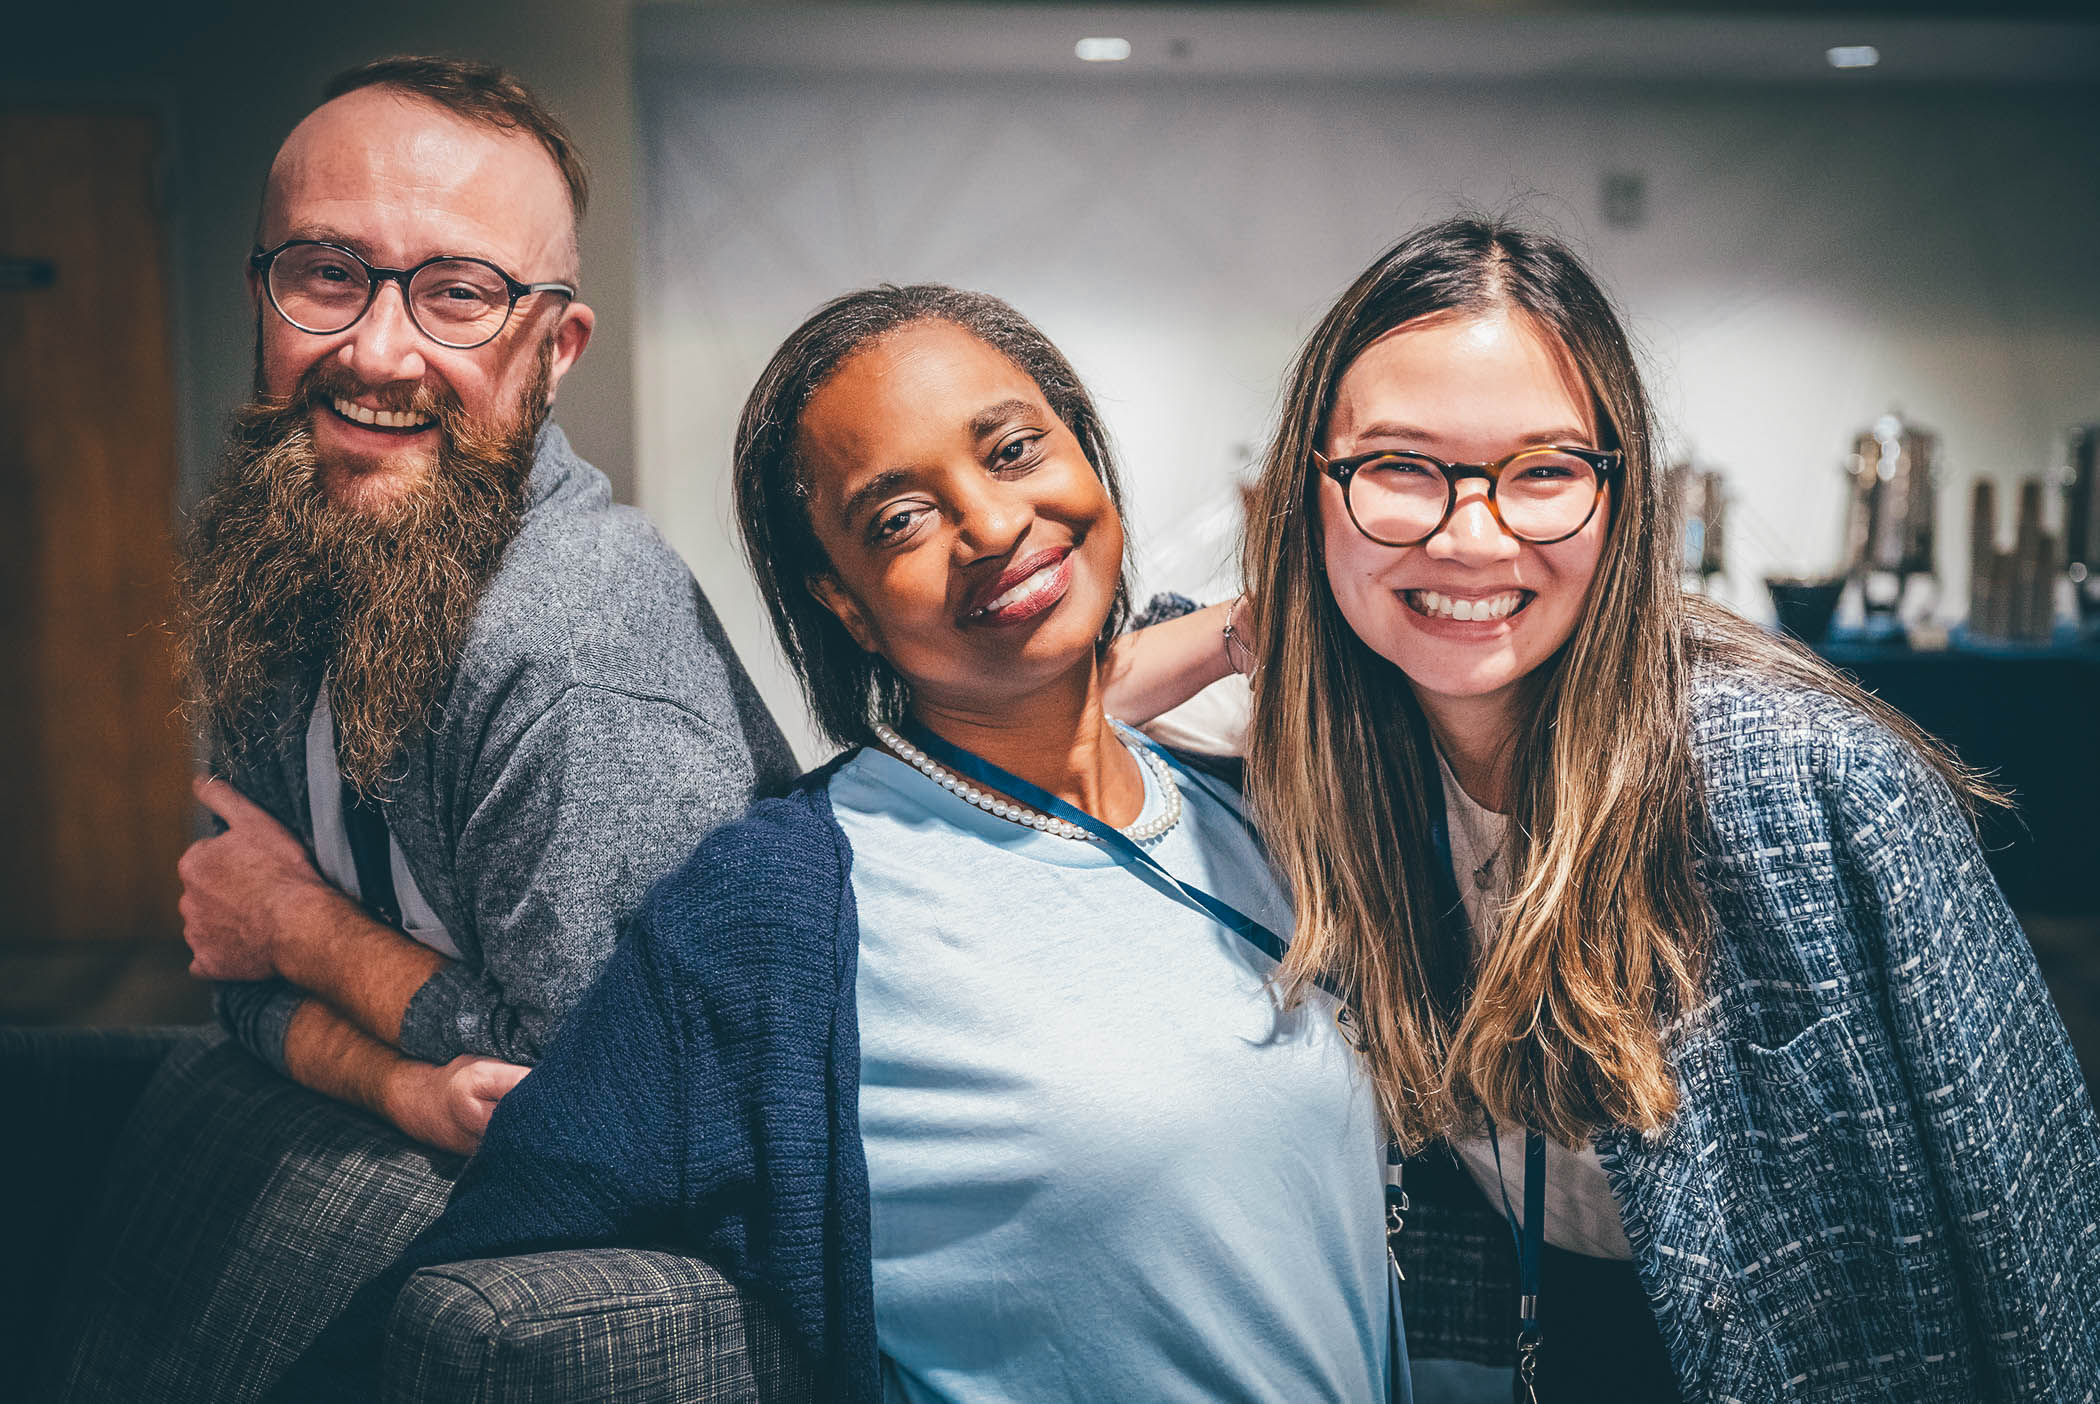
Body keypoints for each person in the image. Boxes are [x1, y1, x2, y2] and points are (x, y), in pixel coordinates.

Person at [278, 284, 1404, 1402]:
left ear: (1089, 461)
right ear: (846, 604)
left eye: (1014, 450)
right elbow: (492, 1243)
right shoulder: (779, 907)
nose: (995, 524)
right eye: (899, 520)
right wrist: (336, 1009)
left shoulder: (1245, 802)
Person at [1206, 218, 2100, 1399]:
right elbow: (1054, 705)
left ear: (1623, 500)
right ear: (1307, 495)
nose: (1472, 536)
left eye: (1544, 471)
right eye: (1402, 468)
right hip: (1521, 1337)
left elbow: (2041, 1240)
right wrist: (1237, 629)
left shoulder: (1804, 780)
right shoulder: (1338, 752)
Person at [175, 55, 793, 1154]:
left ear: (555, 353)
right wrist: (397, 1084)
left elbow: (619, 1103)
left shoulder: (577, 655)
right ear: (259, 293)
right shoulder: (285, 540)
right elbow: (230, 972)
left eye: (459, 294)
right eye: (326, 273)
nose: (375, 351)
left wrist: (300, 929)